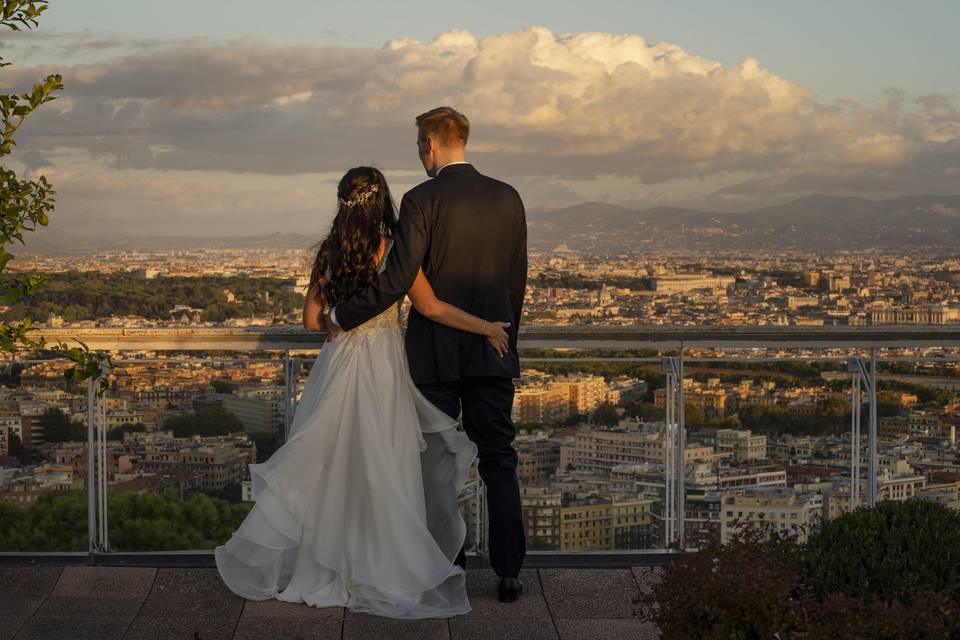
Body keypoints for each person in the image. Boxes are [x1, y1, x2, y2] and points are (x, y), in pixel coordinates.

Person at [214, 165, 514, 618]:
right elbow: (431, 307)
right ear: (383, 203)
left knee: (335, 463)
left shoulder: (330, 253)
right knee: (385, 466)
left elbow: (311, 321)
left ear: (341, 203)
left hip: (339, 365)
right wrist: (486, 327)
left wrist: (340, 316)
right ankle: (380, 566)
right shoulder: (394, 250)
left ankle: (329, 563)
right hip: (385, 367)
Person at [327, 106, 528, 603]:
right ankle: (509, 572)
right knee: (500, 459)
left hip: (434, 355)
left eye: (419, 144)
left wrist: (341, 317)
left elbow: (397, 280)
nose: (419, 153)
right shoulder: (509, 198)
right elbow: (515, 282)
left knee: (435, 464)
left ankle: (444, 565)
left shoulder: (422, 200)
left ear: (430, 144)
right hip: (491, 348)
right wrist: (502, 336)